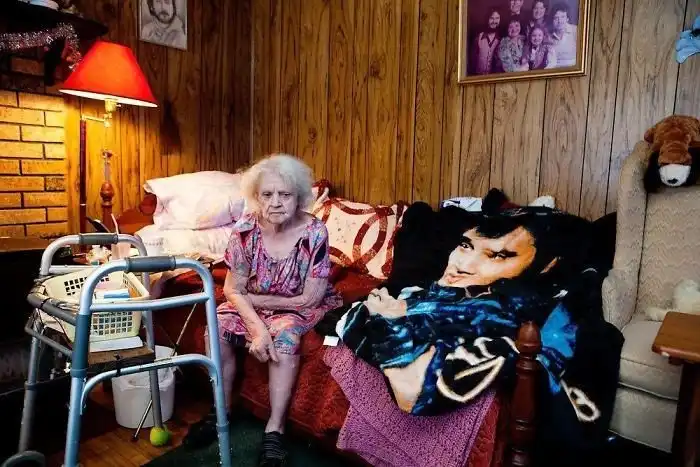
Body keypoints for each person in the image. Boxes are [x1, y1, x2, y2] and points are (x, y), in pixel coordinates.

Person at [184, 154, 343, 466]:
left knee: (285, 337)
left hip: (295, 307)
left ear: (299, 197)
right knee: (216, 328)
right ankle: (221, 412)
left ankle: (275, 429)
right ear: (256, 197)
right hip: (252, 303)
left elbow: (309, 299)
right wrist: (257, 327)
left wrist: (255, 303)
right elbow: (232, 289)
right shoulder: (245, 229)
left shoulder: (315, 232)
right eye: (267, 194)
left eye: (285, 194)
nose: (276, 203)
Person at [470, 7, 502, 75]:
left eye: (497, 18)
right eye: (491, 18)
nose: (494, 21)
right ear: (487, 19)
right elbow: (471, 62)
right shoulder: (478, 38)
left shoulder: (501, 40)